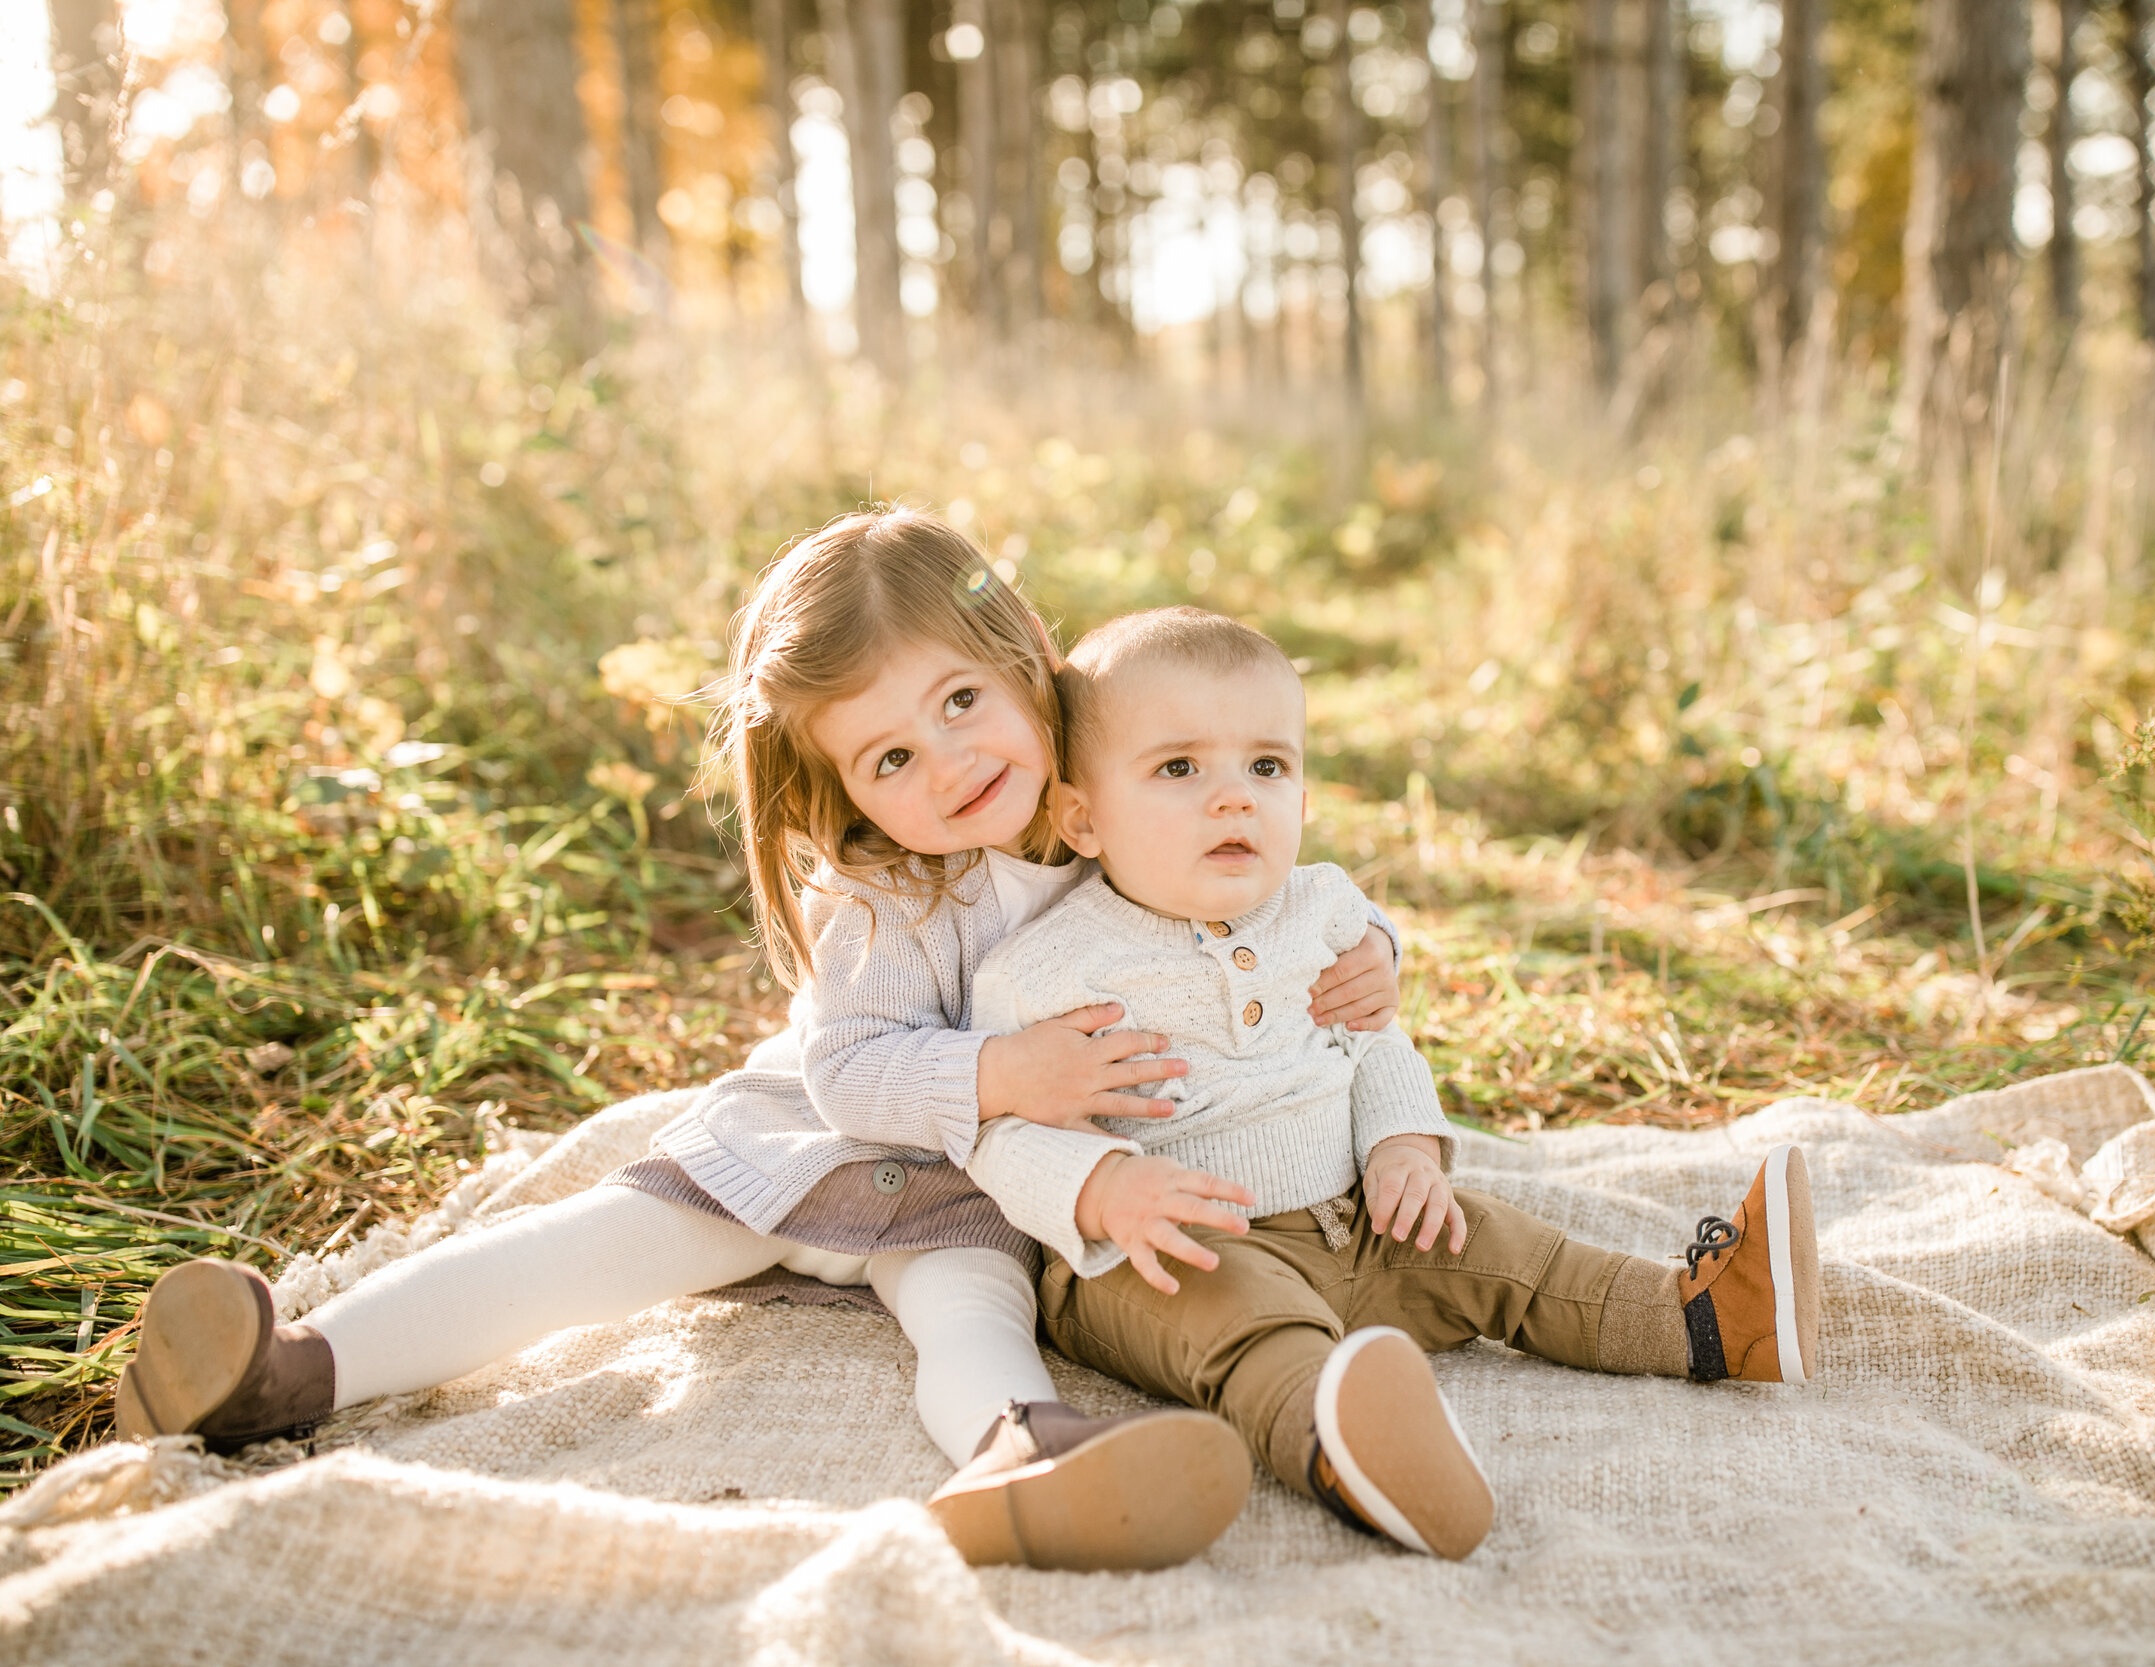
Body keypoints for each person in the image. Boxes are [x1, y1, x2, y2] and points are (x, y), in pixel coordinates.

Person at [110, 510, 1407, 1572]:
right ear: (844, 787)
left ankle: (1025, 1455)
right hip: (804, 1146)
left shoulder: (1118, 808)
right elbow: (846, 1071)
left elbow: (1273, 900)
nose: (949, 760)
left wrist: (1372, 957)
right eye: (891, 752)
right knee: (579, 1251)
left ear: (1026, 660)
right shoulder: (887, 893)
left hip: (981, 1194)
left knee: (973, 1320)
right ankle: (290, 1368)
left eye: (964, 697)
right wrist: (1002, 1071)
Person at [965, 607, 1823, 1561]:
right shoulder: (1047, 971)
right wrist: (1100, 1188)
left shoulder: (1322, 910)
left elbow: (1371, 1044)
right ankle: (1343, 1446)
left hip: (1356, 1222)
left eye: (1267, 767)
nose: (1233, 800)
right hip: (1161, 1252)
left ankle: (1702, 1319)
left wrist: (1405, 1146)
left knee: (1500, 1247)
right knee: (1254, 1327)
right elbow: (997, 1130)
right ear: (1083, 817)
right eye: (1179, 768)